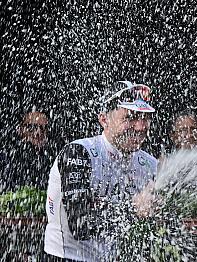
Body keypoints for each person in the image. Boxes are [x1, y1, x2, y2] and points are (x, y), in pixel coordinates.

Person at [44, 81, 158, 261]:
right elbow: (79, 225)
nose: (141, 127)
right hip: (68, 257)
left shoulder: (151, 164)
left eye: (145, 118)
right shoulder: (79, 152)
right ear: (104, 119)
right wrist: (133, 208)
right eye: (131, 117)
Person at [1, 110, 53, 191]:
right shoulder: (6, 157)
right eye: (32, 127)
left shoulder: (54, 157)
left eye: (43, 128)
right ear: (20, 129)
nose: (38, 132)